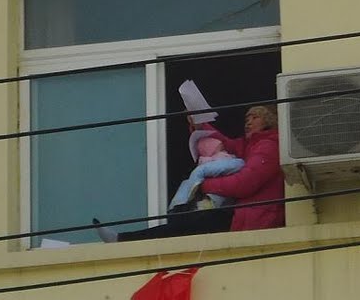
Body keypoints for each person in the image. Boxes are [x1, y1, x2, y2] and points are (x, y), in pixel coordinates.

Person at [95, 104, 285, 242]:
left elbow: (244, 183)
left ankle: (123, 240)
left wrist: (204, 185)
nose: (248, 122)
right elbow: (225, 144)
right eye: (247, 118)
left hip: (255, 222)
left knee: (183, 226)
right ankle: (123, 240)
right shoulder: (252, 146)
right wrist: (201, 124)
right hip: (244, 218)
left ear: (269, 121)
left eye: (255, 117)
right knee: (183, 226)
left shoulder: (268, 146)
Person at [169, 132, 244, 210]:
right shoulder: (222, 157)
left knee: (188, 184)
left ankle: (177, 205)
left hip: (221, 189)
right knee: (218, 191)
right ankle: (200, 203)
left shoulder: (204, 164)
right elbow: (237, 164)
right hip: (223, 190)